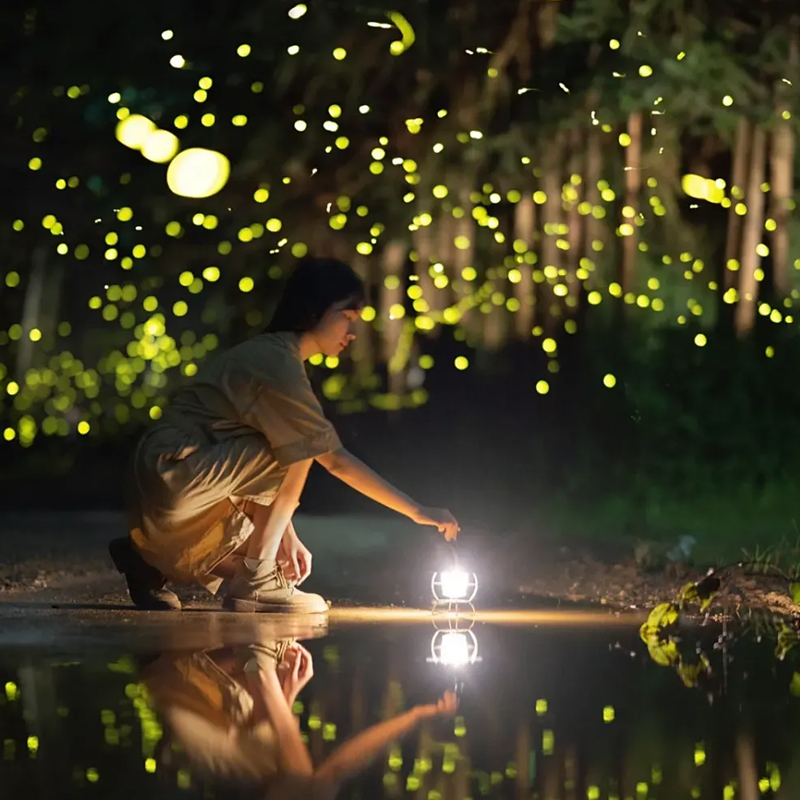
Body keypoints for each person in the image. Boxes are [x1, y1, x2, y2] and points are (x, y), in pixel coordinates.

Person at [110, 257, 459, 613]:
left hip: (164, 485)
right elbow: (333, 460)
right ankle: (256, 582)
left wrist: (284, 536)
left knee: (293, 456)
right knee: (304, 447)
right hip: (175, 477)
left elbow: (252, 464)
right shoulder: (277, 363)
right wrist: (417, 511)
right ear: (314, 310)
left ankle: (147, 560)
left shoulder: (269, 355)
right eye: (347, 317)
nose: (351, 333)